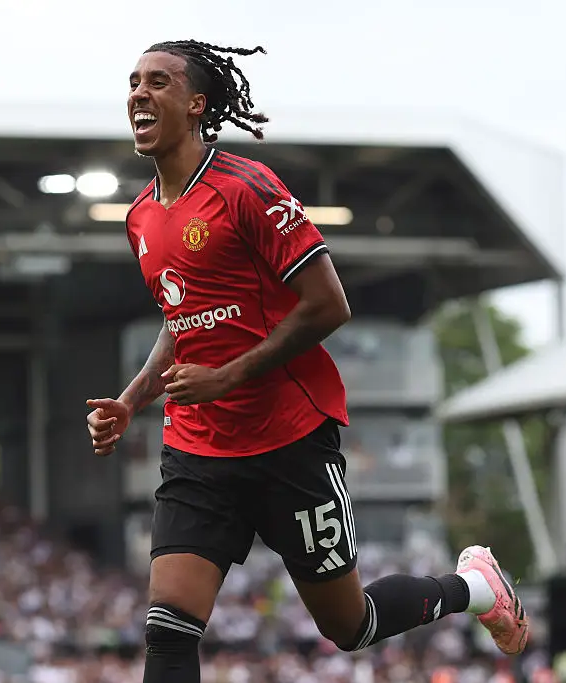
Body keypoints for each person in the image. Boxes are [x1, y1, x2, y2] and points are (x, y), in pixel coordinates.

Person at [85, 39, 528, 682]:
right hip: (200, 449)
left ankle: (472, 587)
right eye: (133, 82)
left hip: (288, 438)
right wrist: (131, 400)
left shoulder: (247, 188)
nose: (139, 93)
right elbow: (181, 321)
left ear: (196, 105)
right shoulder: (141, 218)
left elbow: (328, 305)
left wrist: (227, 376)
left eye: (158, 82)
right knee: (168, 627)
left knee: (350, 626)